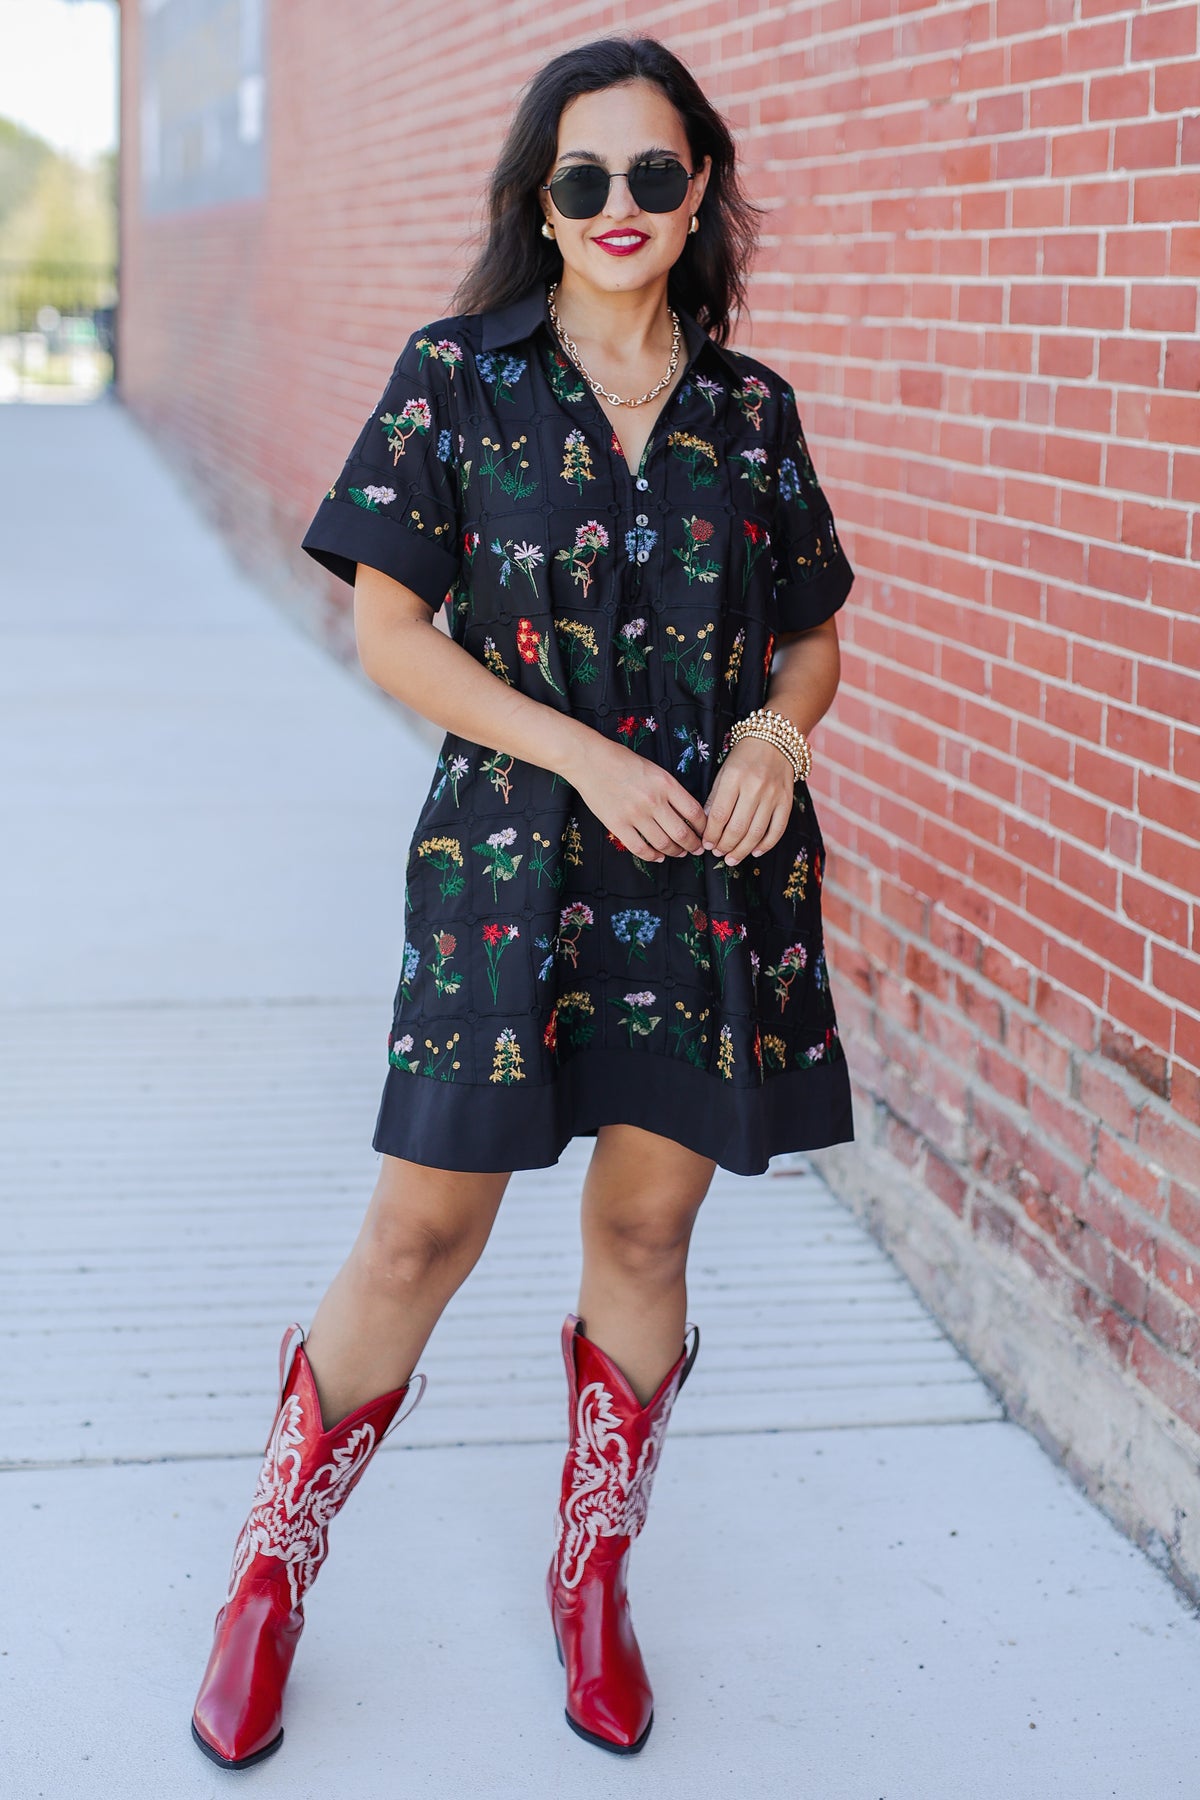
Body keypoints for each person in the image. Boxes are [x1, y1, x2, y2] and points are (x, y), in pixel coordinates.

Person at [190, 32, 855, 1770]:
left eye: (653, 174)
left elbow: (810, 626)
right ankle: (267, 1576)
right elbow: (392, 631)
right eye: (583, 179)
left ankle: (593, 1581)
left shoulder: (748, 410)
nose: (619, 205)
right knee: (423, 1230)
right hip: (509, 866)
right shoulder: (454, 379)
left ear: (698, 189)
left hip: (710, 872)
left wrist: (781, 730)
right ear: (538, 205)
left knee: (646, 1232)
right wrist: (579, 756)